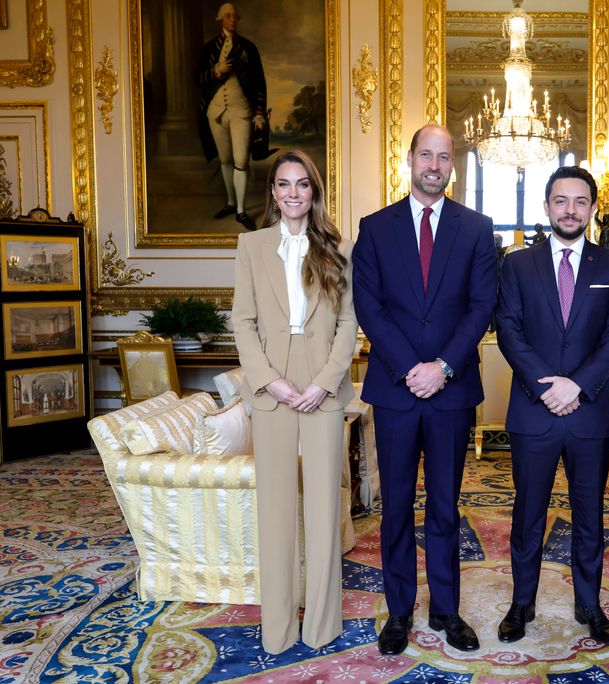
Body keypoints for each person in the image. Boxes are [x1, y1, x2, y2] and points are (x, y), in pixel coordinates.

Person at [352, 124, 497, 656]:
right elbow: (370, 307)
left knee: (444, 506)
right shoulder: (375, 227)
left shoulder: (478, 229)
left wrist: (442, 368)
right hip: (394, 391)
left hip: (451, 393)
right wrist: (412, 367)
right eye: (426, 155)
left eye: (444, 156)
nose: (434, 164)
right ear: (409, 159)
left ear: (452, 164)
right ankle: (398, 612)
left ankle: (446, 610)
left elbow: (481, 306)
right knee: (395, 509)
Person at [494, 166, 609, 645]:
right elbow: (508, 330)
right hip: (534, 411)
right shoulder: (517, 265)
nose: (570, 210)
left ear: (592, 208)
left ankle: (589, 605)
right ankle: (521, 603)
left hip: (589, 411)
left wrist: (577, 385)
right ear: (547, 206)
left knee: (590, 514)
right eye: (561, 200)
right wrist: (545, 385)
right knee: (527, 513)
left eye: (579, 201)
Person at [231, 149, 357, 653]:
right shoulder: (251, 245)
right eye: (283, 185)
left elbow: (348, 322)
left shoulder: (337, 247)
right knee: (276, 512)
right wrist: (269, 381)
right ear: (273, 194)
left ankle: (323, 623)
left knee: (324, 509)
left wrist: (325, 382)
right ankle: (278, 628)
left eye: (302, 184)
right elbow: (242, 320)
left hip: (321, 384)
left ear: (314, 191)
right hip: (272, 386)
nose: (292, 194)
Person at [196, 2, 267, 231]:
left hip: (241, 111)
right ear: (221, 20)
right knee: (225, 160)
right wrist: (216, 71)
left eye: (235, 16)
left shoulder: (248, 48)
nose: (233, 19)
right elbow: (198, 79)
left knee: (241, 161)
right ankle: (230, 202)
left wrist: (258, 112)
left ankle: (241, 211)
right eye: (228, 16)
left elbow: (259, 82)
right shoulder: (208, 49)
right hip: (215, 111)